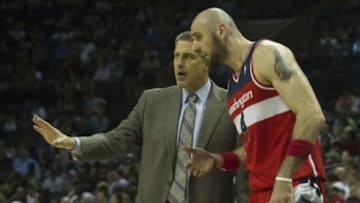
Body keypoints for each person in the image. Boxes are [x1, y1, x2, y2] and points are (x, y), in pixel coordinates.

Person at [32, 31, 238, 203]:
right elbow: (116, 140)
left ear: (206, 61)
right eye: (176, 56)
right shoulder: (152, 101)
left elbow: (247, 161)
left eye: (188, 57)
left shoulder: (232, 103)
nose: (179, 63)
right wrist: (73, 142)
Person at [183, 7, 327, 203]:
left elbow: (312, 115)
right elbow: (254, 152)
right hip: (262, 193)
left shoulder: (267, 54)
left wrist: (284, 178)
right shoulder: (233, 89)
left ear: (221, 31)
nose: (195, 47)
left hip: (293, 186)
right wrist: (217, 160)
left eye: (198, 37)